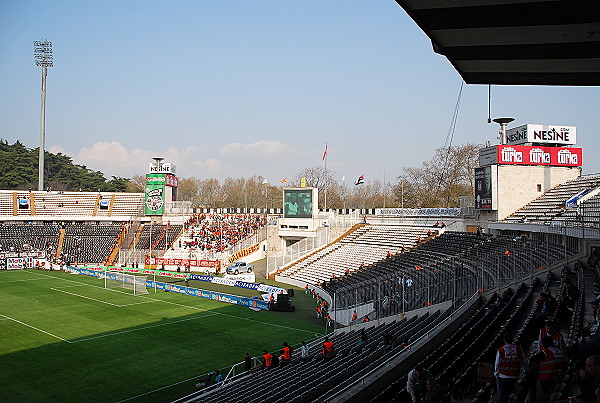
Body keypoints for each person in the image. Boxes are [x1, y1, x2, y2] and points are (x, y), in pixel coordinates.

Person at [532, 336, 566, 401]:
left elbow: (533, 360)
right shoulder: (559, 351)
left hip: (547, 379)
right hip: (557, 379)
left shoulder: (546, 352)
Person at [495, 333, 524, 403]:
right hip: (515, 376)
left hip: (503, 377)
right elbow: (524, 361)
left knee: (504, 395)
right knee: (512, 393)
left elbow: (497, 364)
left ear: (504, 340)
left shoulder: (501, 350)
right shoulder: (519, 348)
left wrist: (496, 374)